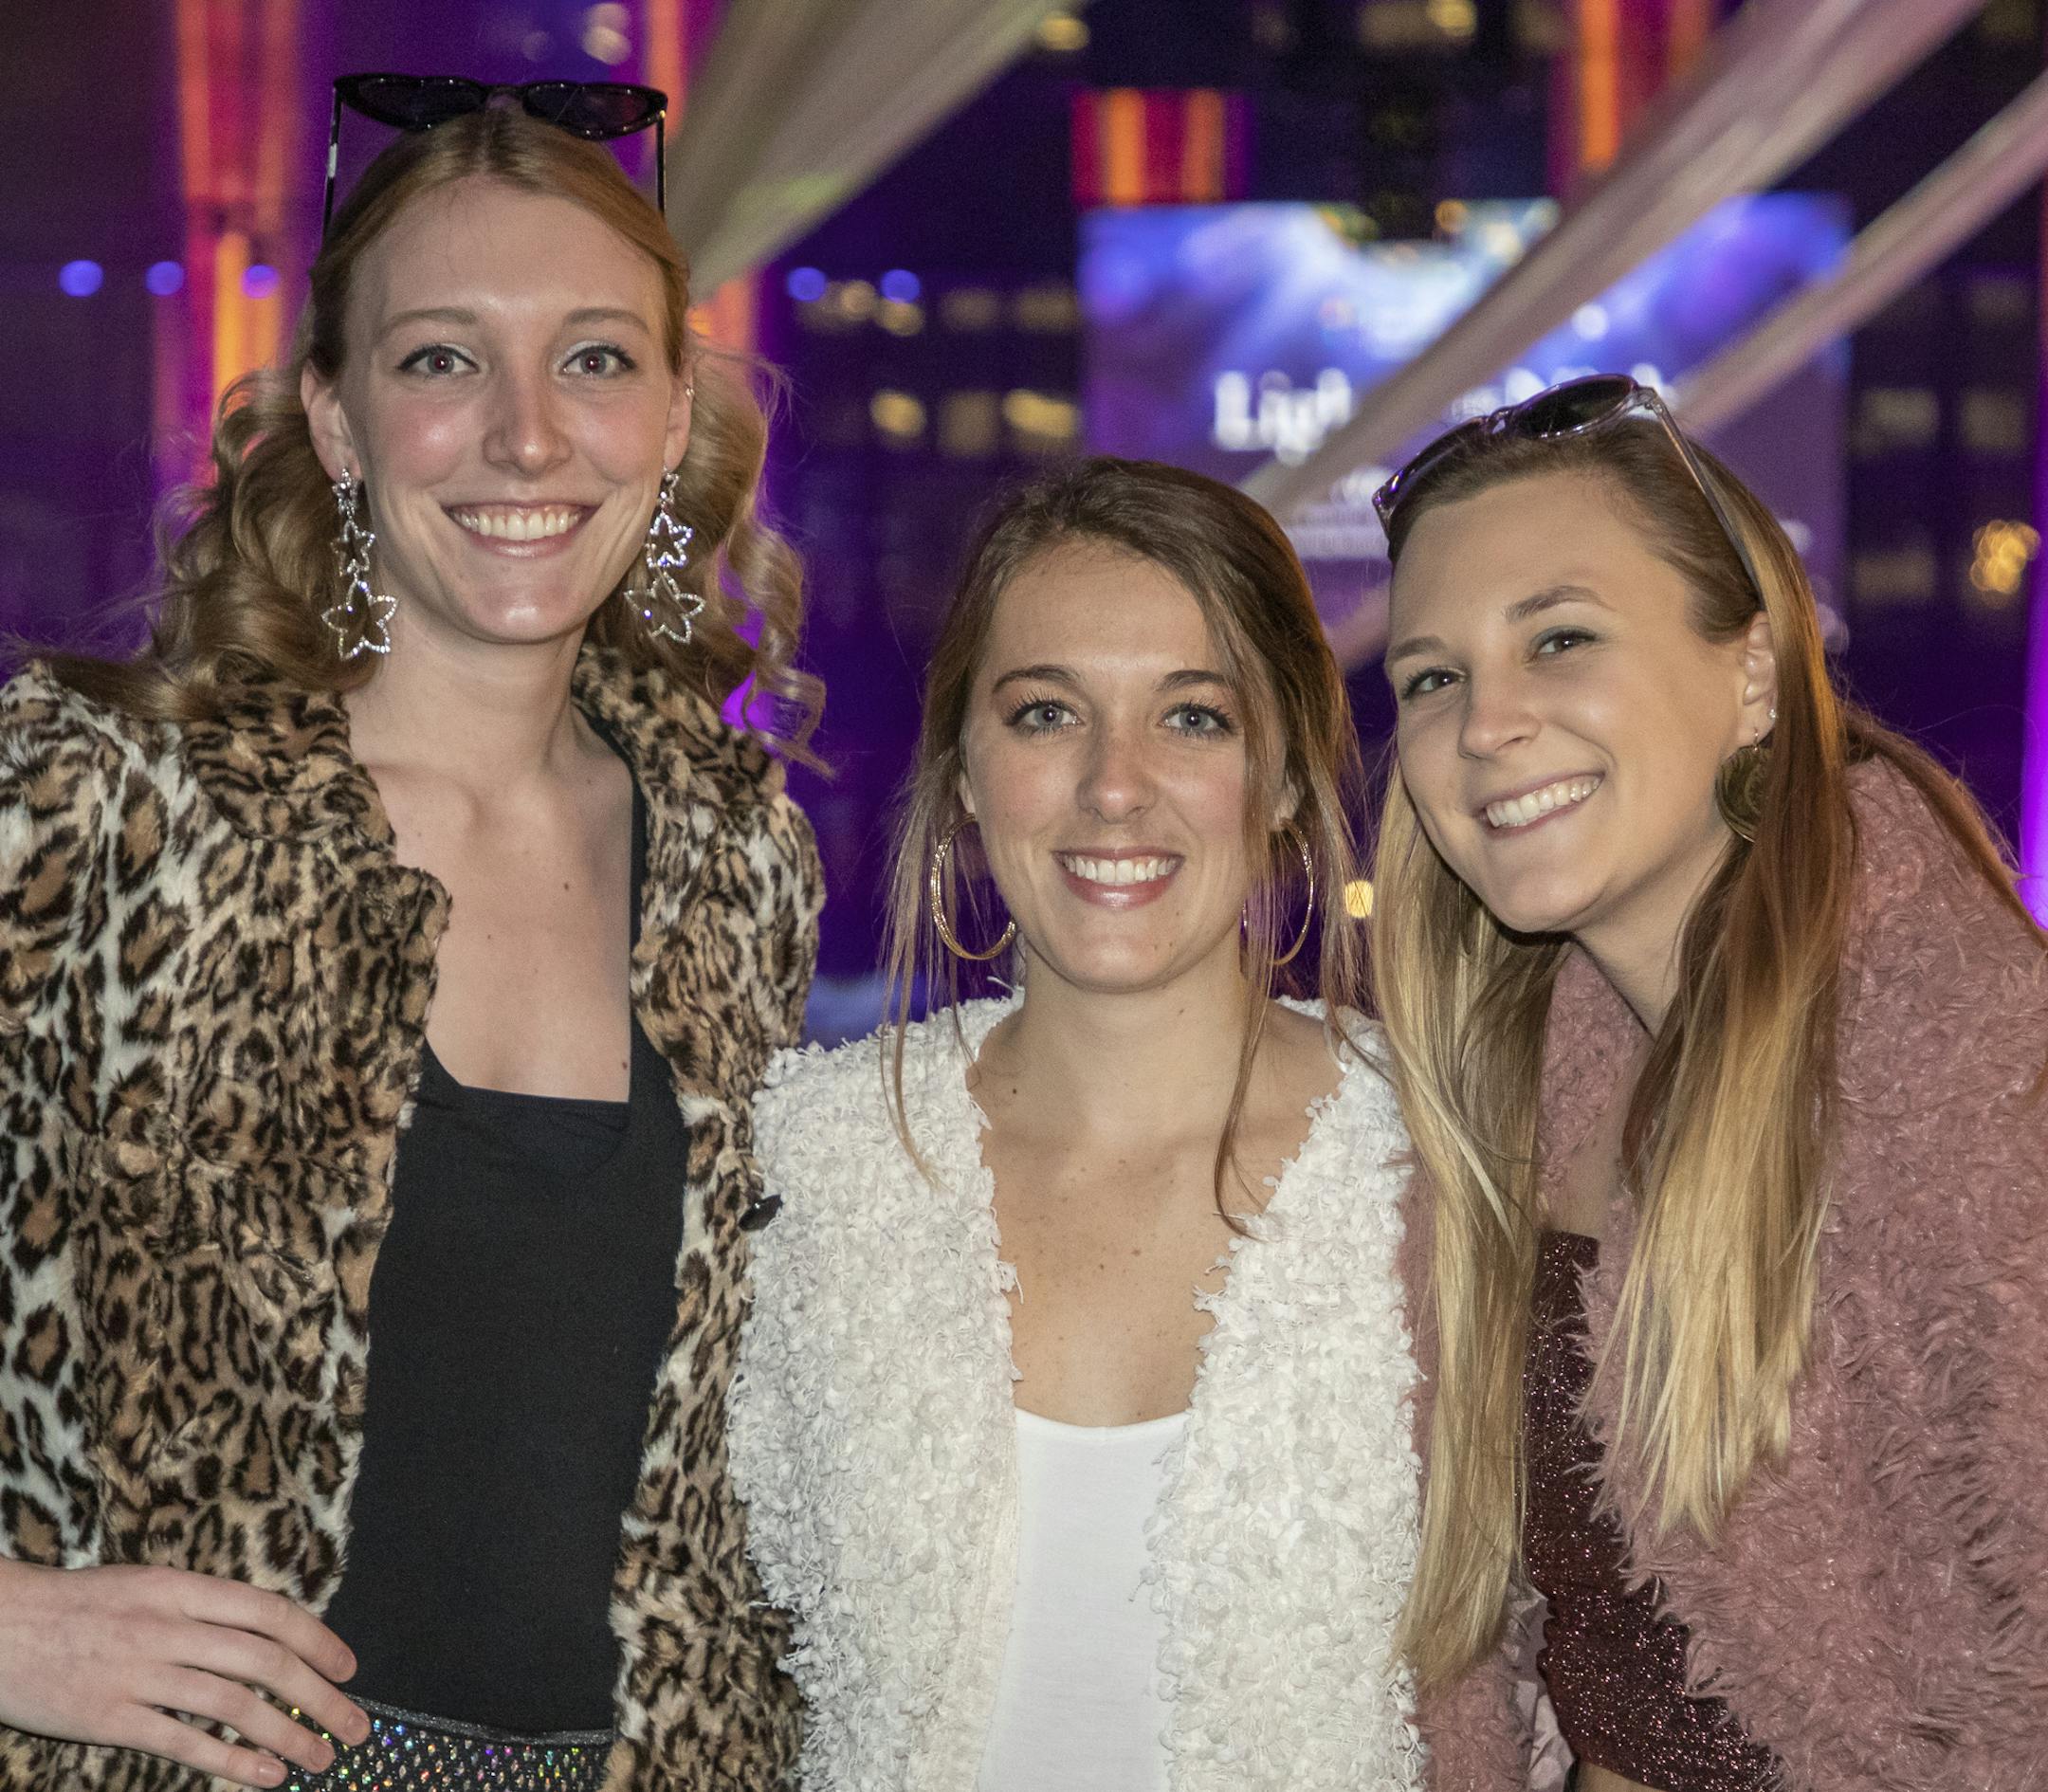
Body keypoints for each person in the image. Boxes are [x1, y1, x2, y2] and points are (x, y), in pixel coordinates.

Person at [0, 93, 821, 1792]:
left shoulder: (744, 859)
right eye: (445, 362)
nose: (527, 438)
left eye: (593, 361)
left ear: (672, 418)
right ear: (339, 419)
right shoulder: (104, 798)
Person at [1369, 375, 2048, 1792]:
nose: (1486, 723)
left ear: (1749, 675)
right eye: (1432, 674)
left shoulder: (1975, 1070)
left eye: (1558, 638)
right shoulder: (1515, 1069)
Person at [728, 456, 1426, 1791]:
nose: (1116, 785)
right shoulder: (809, 1170)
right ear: (970, 773)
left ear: (1282, 778)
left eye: (1195, 719)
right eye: (1049, 712)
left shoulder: (1442, 1167)